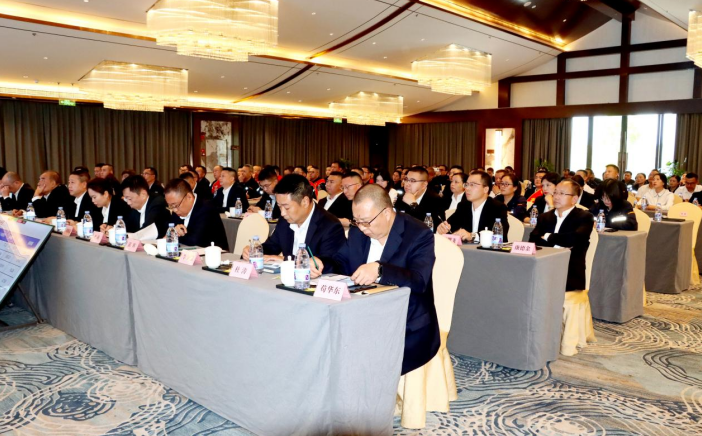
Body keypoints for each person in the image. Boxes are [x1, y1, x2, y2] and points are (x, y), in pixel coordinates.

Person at [333, 184, 440, 375]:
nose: (362, 228)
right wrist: (320, 263)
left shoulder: (418, 234)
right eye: (357, 221)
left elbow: (419, 281)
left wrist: (380, 269)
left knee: (361, 353)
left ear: (387, 213)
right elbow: (339, 262)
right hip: (362, 313)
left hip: (406, 321)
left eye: (366, 222)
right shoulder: (358, 232)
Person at [242, 174, 345, 277]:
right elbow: (271, 246)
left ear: (305, 202)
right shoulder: (285, 221)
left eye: (286, 207)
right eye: (279, 206)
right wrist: (254, 251)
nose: (282, 213)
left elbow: (332, 265)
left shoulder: (329, 225)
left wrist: (288, 260)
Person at [529, 180, 593, 292]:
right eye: (555, 193)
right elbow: (533, 240)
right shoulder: (544, 217)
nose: (556, 197)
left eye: (562, 193)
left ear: (574, 199)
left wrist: (548, 236)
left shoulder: (584, 217)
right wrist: (561, 241)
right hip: (543, 266)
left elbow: (574, 239)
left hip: (569, 271)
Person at [437, 171, 510, 242]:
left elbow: (500, 234)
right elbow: (451, 226)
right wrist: (443, 228)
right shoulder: (463, 206)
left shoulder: (497, 207)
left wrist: (472, 236)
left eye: (472, 185)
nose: (467, 188)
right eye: (466, 184)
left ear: (485, 189)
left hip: (489, 249)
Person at [164, 179, 228, 250]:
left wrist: (174, 234)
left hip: (213, 254)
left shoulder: (207, 209)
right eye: (170, 206)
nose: (174, 210)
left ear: (189, 197)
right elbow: (167, 235)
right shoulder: (176, 210)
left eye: (175, 205)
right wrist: (173, 233)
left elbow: (195, 241)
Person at [395, 166, 445, 231]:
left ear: (424, 185)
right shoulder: (401, 197)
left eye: (412, 181)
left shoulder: (435, 200)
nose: (407, 184)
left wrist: (413, 205)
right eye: (406, 180)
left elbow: (434, 226)